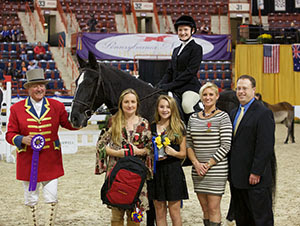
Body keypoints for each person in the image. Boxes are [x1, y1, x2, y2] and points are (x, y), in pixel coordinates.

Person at [5, 68, 78, 225]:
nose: (39, 89)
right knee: (30, 199)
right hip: (28, 161)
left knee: (52, 198)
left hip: (51, 160)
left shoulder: (57, 106)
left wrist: (82, 118)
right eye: (35, 86)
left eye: (41, 85)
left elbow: (69, 124)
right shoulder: (16, 109)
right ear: (28, 88)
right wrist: (22, 139)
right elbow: (9, 135)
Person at [95, 88, 153, 226]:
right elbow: (100, 146)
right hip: (117, 172)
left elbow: (150, 149)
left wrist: (138, 152)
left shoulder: (144, 123)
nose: (130, 105)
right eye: (126, 102)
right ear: (121, 103)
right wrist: (118, 153)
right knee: (116, 215)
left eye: (133, 102)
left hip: (137, 175)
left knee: (135, 216)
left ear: (137, 104)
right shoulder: (113, 121)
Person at [229, 75, 276, 226]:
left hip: (255, 179)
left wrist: (256, 171)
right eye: (238, 88)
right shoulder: (233, 112)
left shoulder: (263, 113)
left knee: (261, 219)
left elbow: (265, 146)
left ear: (253, 90)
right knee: (242, 219)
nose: (241, 92)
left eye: (245, 88)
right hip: (237, 179)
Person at [186, 82, 232, 226]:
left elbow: (225, 146)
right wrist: (196, 164)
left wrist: (207, 164)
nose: (207, 97)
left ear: (217, 96)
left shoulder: (223, 117)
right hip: (197, 169)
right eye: (204, 95)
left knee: (213, 208)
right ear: (200, 97)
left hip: (215, 169)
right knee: (204, 208)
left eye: (211, 94)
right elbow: (188, 144)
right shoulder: (193, 118)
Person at [149, 95, 188, 226]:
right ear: (157, 108)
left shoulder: (178, 127)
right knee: (159, 211)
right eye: (162, 107)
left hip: (173, 171)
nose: (165, 110)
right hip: (156, 172)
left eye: (168, 107)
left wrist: (174, 153)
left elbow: (183, 154)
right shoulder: (151, 127)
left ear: (173, 109)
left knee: (174, 211)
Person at [157, 15, 202, 120]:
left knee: (186, 105)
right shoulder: (176, 50)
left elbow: (190, 72)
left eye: (186, 30)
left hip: (189, 87)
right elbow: (170, 71)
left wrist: (171, 85)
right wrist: (160, 85)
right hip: (175, 87)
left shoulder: (196, 48)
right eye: (180, 30)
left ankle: (190, 129)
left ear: (192, 30)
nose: (182, 32)